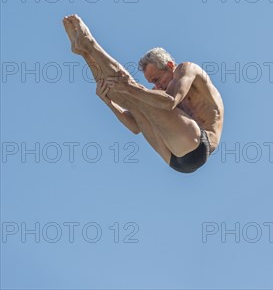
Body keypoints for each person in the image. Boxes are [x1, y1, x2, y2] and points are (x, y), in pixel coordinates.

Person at [63, 14, 224, 173]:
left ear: (169, 65)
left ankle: (90, 44)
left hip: (199, 145)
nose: (157, 85)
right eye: (152, 82)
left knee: (134, 91)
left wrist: (130, 88)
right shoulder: (159, 93)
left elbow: (171, 101)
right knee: (128, 97)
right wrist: (108, 102)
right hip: (174, 160)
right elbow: (135, 126)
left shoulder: (186, 69)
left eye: (157, 79)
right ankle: (84, 52)